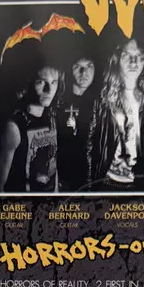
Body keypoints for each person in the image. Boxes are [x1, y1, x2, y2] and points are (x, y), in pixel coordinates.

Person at [87, 38, 144, 190]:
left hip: (141, 186)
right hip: (106, 182)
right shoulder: (103, 99)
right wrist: (90, 186)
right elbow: (90, 144)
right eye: (127, 55)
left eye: (139, 56)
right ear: (117, 59)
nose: (133, 62)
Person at [0, 63, 62, 193]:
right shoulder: (14, 125)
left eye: (54, 82)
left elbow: (53, 162)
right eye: (41, 82)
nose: (49, 90)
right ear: (28, 83)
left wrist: (56, 194)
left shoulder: (52, 117)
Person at [57, 53, 98, 191]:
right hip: (61, 177)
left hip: (89, 178)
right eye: (77, 67)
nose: (83, 72)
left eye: (89, 66)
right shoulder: (57, 101)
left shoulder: (101, 103)